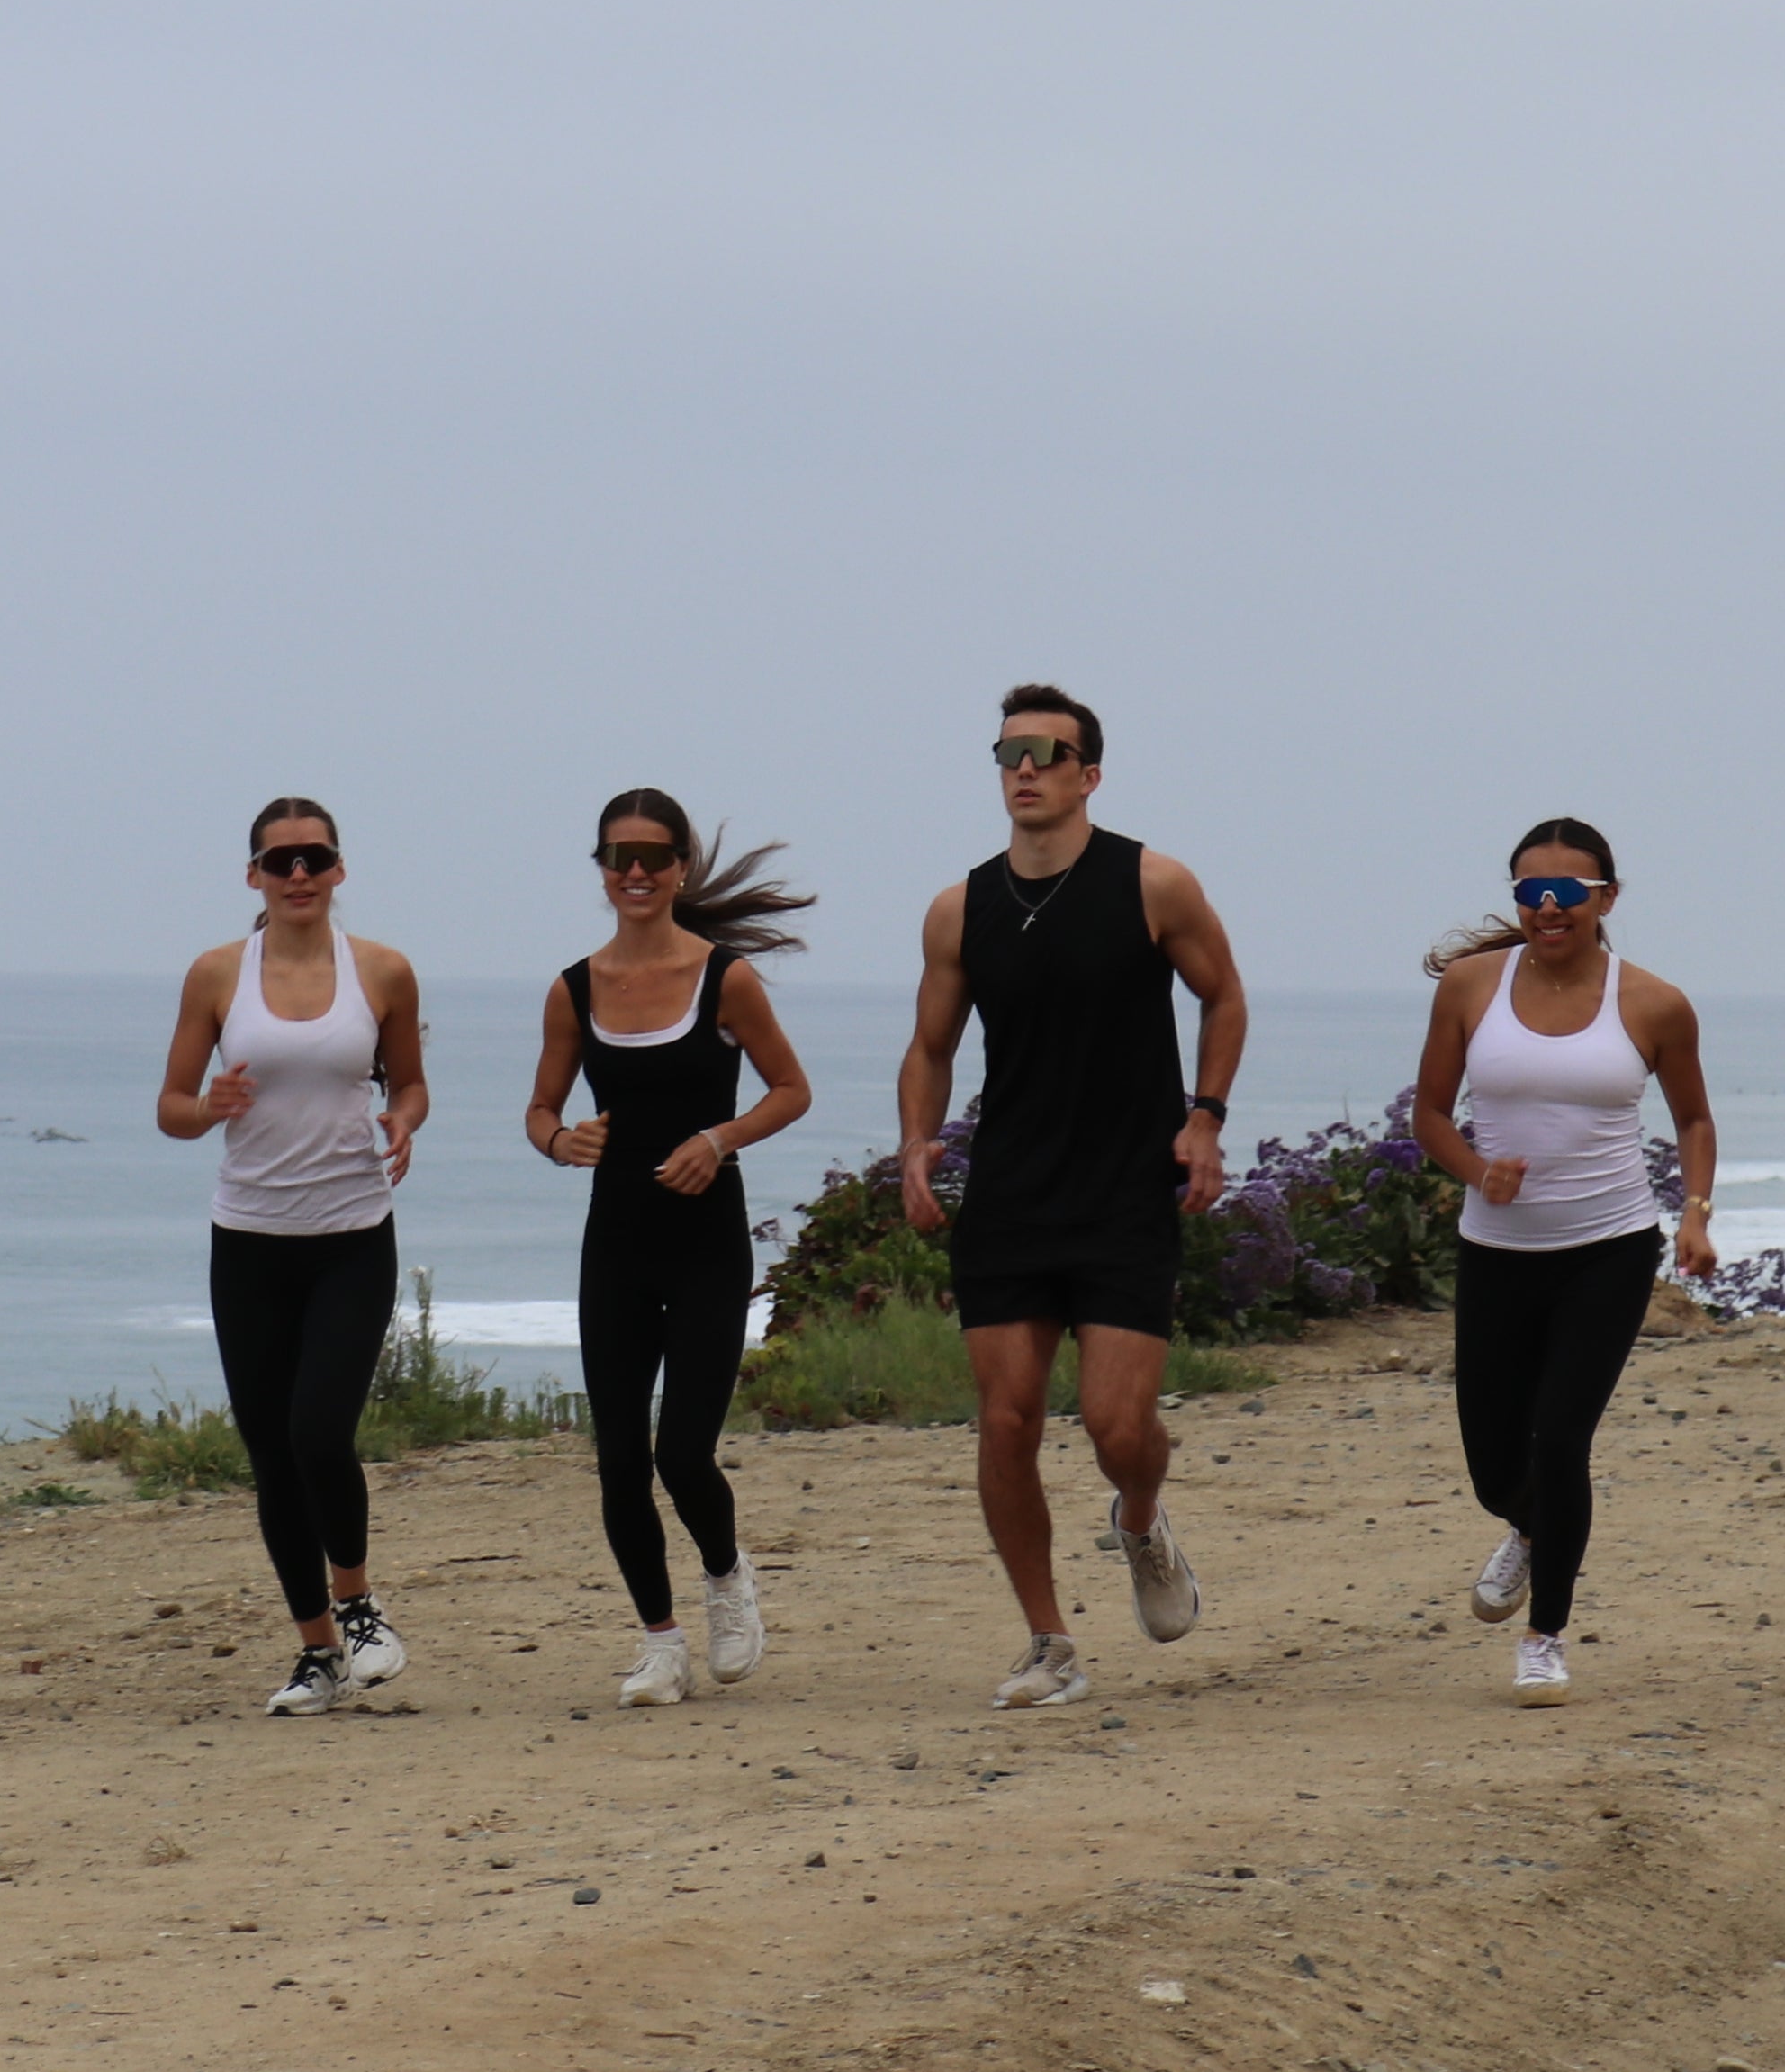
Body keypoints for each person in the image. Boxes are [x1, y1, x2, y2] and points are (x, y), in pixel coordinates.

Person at [896, 684, 1249, 1711]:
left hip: (1126, 1190)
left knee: (1115, 1425)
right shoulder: (959, 909)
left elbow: (1223, 996)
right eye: (1009, 752)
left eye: (1048, 753)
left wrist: (1205, 1119)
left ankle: (1140, 1517)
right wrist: (917, 1144)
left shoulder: (1154, 884)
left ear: (1089, 774)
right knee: (1006, 1421)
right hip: (1011, 1192)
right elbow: (930, 1045)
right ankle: (1049, 1641)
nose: (1026, 768)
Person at [1408, 816, 1718, 1707]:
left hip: (1608, 1251)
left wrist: (1695, 1215)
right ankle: (1529, 1527)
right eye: (1530, 893)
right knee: (1493, 1462)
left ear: (1605, 899)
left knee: (1560, 1439)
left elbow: (1694, 1119)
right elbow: (1430, 1115)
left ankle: (1544, 1638)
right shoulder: (1471, 987)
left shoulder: (1654, 1003)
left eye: (1567, 892)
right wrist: (1478, 1171)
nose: (1548, 907)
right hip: (1497, 1253)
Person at [523, 794, 817, 1709]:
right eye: (620, 857)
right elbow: (541, 1109)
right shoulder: (574, 989)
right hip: (615, 1244)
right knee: (619, 1459)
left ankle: (727, 1578)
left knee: (683, 1454)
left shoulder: (725, 979)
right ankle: (660, 1644)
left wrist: (719, 1140)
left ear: (681, 867)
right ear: (602, 869)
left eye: (654, 856)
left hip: (706, 1246)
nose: (637, 872)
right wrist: (559, 1140)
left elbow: (791, 1089)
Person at [156, 797, 433, 1718]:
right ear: (255, 877)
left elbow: (412, 1083)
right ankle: (319, 1653)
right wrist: (210, 1106)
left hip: (352, 1234)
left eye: (315, 857)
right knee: (273, 1456)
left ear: (339, 869)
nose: (300, 874)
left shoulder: (383, 971)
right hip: (249, 1241)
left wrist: (402, 1120)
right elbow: (171, 1108)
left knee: (319, 1433)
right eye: (281, 862)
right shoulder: (216, 975)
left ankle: (357, 1607)